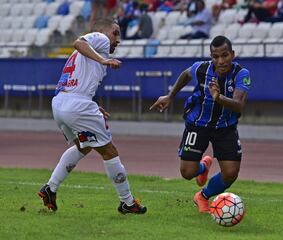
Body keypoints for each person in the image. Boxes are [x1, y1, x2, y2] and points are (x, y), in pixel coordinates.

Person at [38, 17, 146, 215]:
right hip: (76, 105)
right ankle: (128, 202)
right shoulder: (101, 39)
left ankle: (50, 188)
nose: (117, 39)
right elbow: (78, 42)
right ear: (103, 31)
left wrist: (92, 106)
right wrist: (104, 60)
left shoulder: (83, 56)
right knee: (109, 151)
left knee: (83, 147)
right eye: (115, 32)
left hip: (61, 103)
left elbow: (78, 83)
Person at [150, 35, 251, 213]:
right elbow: (185, 74)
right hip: (198, 124)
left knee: (230, 173)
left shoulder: (241, 74)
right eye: (216, 56)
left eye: (225, 55)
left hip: (225, 127)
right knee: (187, 173)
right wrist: (170, 96)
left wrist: (218, 97)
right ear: (211, 56)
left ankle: (202, 196)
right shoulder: (201, 68)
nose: (220, 61)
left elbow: (238, 105)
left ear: (232, 55)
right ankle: (203, 167)